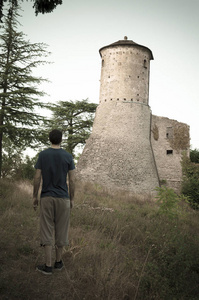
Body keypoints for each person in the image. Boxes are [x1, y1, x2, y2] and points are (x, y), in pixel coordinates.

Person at [33, 129, 75, 275]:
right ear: (61, 139)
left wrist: (34, 196)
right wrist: (72, 198)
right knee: (61, 230)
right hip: (63, 198)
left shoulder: (43, 155)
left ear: (49, 139)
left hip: (46, 197)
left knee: (47, 229)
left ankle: (48, 265)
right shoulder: (68, 156)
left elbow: (37, 177)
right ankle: (58, 262)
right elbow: (73, 180)